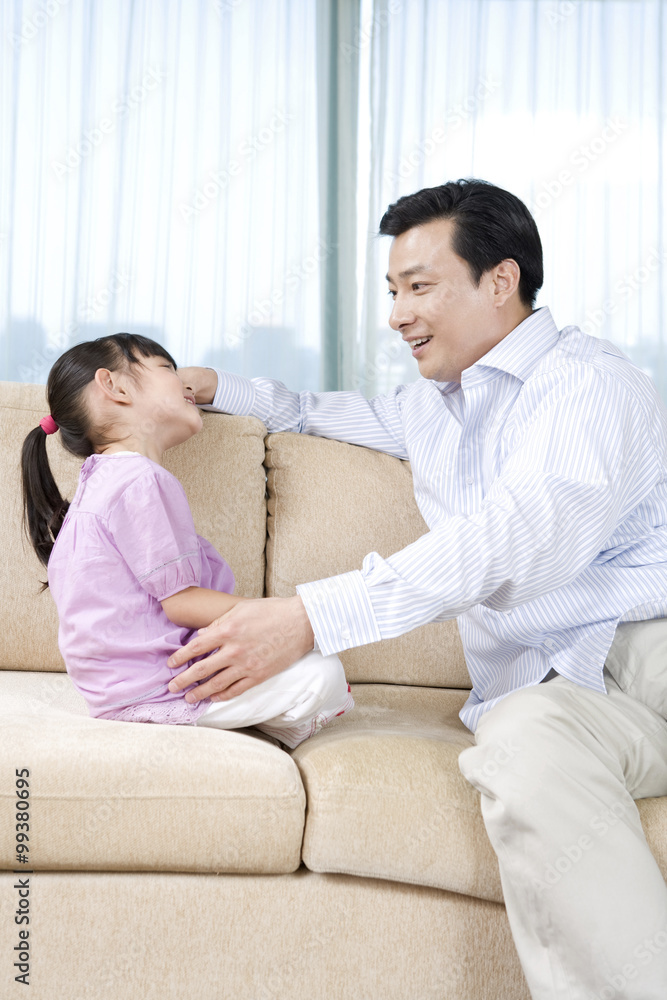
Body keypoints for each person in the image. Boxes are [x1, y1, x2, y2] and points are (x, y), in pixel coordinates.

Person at [172, 179, 667, 998]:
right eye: (392, 291)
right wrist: (217, 387)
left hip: (649, 639)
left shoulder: (588, 383)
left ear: (499, 282)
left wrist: (310, 616)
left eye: (419, 287)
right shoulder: (428, 410)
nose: (397, 313)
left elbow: (521, 535)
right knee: (520, 741)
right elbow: (311, 411)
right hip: (558, 696)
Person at [20, 333, 353, 749]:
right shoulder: (141, 480)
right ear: (116, 386)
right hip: (156, 684)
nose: (185, 385)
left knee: (308, 668)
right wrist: (288, 614)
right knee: (323, 672)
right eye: (168, 370)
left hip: (114, 689)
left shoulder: (100, 483)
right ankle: (244, 717)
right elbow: (182, 602)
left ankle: (254, 714)